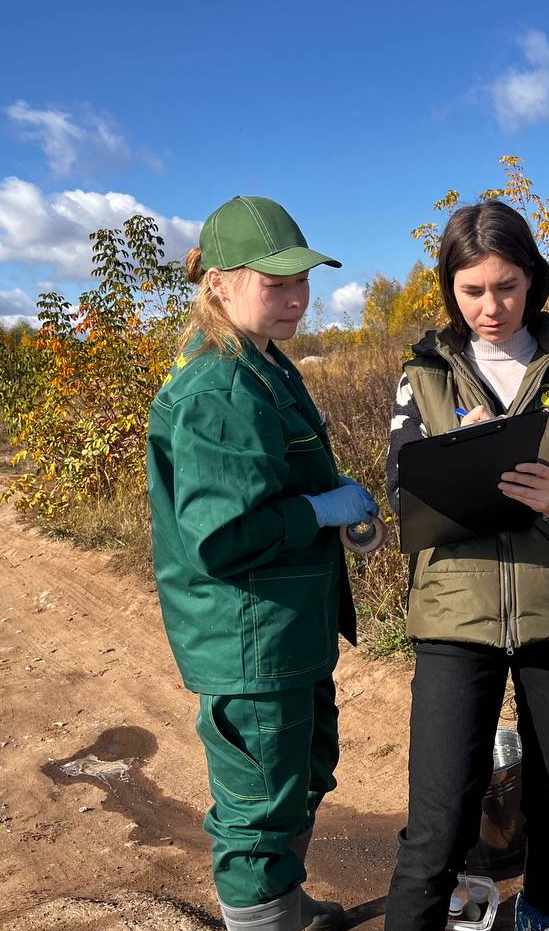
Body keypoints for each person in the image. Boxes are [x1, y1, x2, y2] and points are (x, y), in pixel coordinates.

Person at [383, 200, 549, 931]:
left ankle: (544, 916)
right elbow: (400, 490)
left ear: (532, 278)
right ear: (450, 289)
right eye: (472, 291)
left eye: (506, 286)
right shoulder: (424, 375)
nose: (490, 307)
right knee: (438, 819)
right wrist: (454, 463)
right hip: (454, 615)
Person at [146, 196, 379, 931]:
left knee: (300, 774)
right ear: (218, 282)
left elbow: (273, 483)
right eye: (275, 282)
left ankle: (284, 905)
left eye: (302, 280)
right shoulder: (218, 385)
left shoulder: (263, 364)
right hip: (250, 636)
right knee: (259, 802)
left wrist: (332, 503)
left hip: (286, 627)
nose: (297, 297)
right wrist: (319, 511)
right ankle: (263, 920)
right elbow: (223, 536)